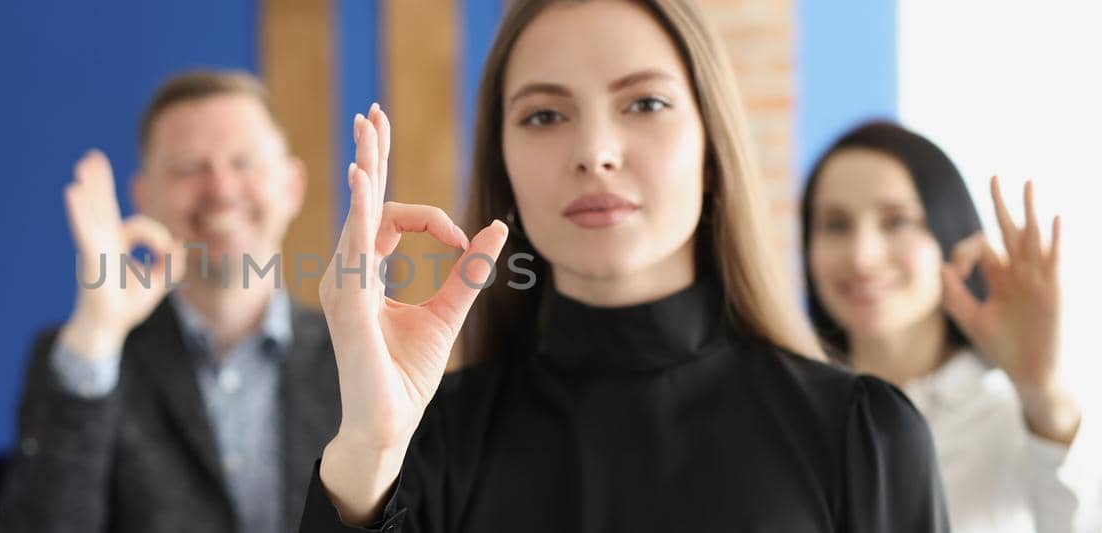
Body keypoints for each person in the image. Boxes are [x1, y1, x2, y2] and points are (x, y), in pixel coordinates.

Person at [299, 0, 948, 530]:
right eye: (545, 114)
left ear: (712, 144)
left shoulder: (862, 435)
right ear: (504, 165)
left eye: (645, 104)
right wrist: (372, 444)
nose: (595, 151)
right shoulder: (427, 445)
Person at [0, 70, 340, 533]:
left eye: (243, 162)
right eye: (188, 168)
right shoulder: (84, 361)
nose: (220, 188)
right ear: (144, 197)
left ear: (292, 186)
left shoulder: (353, 359)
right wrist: (97, 340)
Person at [802, 120, 1099, 532]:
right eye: (836, 224)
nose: (862, 256)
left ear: (947, 231)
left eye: (897, 221)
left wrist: (1039, 388)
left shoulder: (1010, 420)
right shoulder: (790, 413)